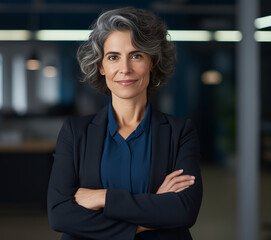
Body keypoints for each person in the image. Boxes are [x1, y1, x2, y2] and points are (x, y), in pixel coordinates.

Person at [47, 6, 202, 240]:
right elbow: (60, 215)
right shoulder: (75, 133)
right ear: (101, 66)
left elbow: (183, 211)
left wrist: (103, 198)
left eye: (136, 55)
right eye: (113, 57)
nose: (125, 69)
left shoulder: (180, 133)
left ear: (152, 62)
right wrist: (147, 219)